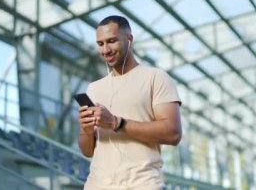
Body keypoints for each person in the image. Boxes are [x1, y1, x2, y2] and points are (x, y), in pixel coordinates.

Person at [77, 15, 182, 190]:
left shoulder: (156, 77)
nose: (105, 50)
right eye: (100, 44)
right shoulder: (93, 89)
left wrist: (116, 123)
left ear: (129, 39)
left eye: (111, 41)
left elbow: (173, 133)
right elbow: (87, 150)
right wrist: (87, 132)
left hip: (143, 184)